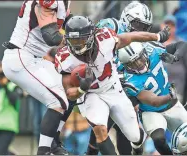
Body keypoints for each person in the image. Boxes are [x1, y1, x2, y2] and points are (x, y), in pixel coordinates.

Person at [55, 15, 170, 155]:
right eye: (73, 40)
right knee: (100, 130)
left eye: (81, 39)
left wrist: (157, 37)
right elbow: (69, 93)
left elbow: (131, 37)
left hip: (112, 87)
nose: (78, 44)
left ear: (91, 36)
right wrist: (82, 88)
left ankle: (137, 145)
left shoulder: (105, 39)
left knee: (135, 136)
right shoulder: (64, 57)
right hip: (90, 94)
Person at [1, 0, 71, 154]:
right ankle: (44, 150)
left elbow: (66, 20)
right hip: (21, 57)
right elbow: (51, 36)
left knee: (71, 89)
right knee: (57, 101)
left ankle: (54, 140)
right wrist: (76, 39)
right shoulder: (46, 3)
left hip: (36, 59)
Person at [86, 1, 153, 155]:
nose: (140, 30)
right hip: (102, 87)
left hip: (124, 92)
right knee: (100, 129)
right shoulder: (111, 26)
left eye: (144, 27)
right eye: (138, 25)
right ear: (127, 18)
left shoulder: (139, 45)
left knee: (126, 138)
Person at [117, 40, 187, 155]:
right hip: (150, 111)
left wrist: (175, 57)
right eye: (133, 63)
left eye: (140, 58)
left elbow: (184, 44)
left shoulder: (153, 50)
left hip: (172, 106)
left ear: (144, 52)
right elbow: (154, 102)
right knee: (159, 139)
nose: (139, 64)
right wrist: (170, 96)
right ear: (126, 65)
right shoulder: (128, 80)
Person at [161, 15, 187, 102]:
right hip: (158, 91)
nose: (169, 27)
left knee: (174, 113)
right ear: (161, 26)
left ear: (175, 28)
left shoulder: (182, 45)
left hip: (176, 89)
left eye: (172, 25)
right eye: (166, 24)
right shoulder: (155, 43)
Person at [0, 64, 23, 155]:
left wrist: (5, 86)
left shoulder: (13, 86)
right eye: (0, 73)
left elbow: (14, 99)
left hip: (7, 127)